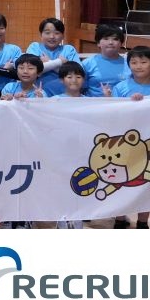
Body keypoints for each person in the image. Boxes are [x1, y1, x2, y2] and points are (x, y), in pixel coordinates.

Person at [111, 45, 150, 230]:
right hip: (124, 144)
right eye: (134, 62)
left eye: (143, 62)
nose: (138, 66)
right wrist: (129, 103)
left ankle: (142, 221)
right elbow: (112, 112)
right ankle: (119, 218)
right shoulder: (120, 88)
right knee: (121, 180)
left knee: (146, 182)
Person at [54, 61, 88, 230]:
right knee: (61, 186)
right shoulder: (54, 101)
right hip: (61, 152)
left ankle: (77, 219)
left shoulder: (93, 102)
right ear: (62, 80)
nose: (74, 80)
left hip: (83, 153)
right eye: (69, 76)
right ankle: (62, 219)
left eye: (78, 76)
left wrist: (108, 99)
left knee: (80, 186)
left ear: (84, 79)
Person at [26, 17, 79, 96]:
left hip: (65, 95)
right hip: (37, 93)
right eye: (47, 33)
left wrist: (49, 62)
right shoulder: (34, 47)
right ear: (41, 35)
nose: (52, 36)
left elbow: (76, 74)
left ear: (63, 36)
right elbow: (32, 70)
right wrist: (60, 62)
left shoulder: (69, 49)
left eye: (56, 33)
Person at [82, 24, 128, 97]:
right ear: (98, 43)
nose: (110, 42)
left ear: (121, 44)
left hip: (123, 103)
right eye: (106, 39)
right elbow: (79, 89)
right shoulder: (87, 63)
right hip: (94, 103)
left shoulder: (129, 64)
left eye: (115, 39)